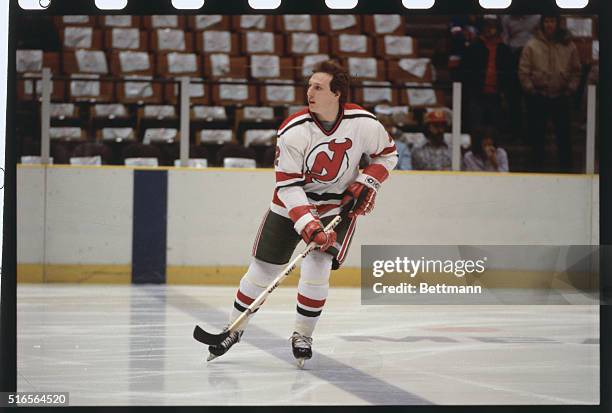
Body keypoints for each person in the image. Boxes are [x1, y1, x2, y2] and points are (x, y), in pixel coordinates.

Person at [206, 60, 398, 365]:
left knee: (318, 267)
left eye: (318, 87)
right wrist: (309, 225)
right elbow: (288, 186)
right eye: (309, 85)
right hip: (290, 206)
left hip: (337, 205)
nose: (309, 91)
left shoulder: (364, 123)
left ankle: (303, 335)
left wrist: (366, 182)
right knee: (263, 270)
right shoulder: (293, 130)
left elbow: (387, 154)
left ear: (337, 94)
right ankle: (234, 328)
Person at [518, 13, 581, 172]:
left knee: (564, 138)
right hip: (539, 96)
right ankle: (536, 170)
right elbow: (523, 71)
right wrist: (531, 90)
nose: (549, 24)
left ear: (558, 23)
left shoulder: (569, 45)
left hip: (561, 95)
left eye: (552, 21)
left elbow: (576, 71)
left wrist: (571, 89)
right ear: (542, 23)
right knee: (537, 137)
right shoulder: (531, 45)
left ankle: (567, 171)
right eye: (546, 21)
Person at [460, 16, 513, 132]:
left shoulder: (504, 50)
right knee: (475, 128)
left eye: (492, 26)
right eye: (487, 26)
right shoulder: (473, 47)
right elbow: (465, 71)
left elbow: (508, 75)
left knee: (495, 130)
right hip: (477, 94)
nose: (489, 29)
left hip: (497, 95)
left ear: (498, 28)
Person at [500, 15, 540, 139]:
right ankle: (515, 129)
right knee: (514, 97)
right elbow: (505, 37)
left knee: (531, 97)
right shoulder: (506, 18)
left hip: (533, 57)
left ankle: (532, 132)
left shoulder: (537, 17)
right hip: (513, 56)